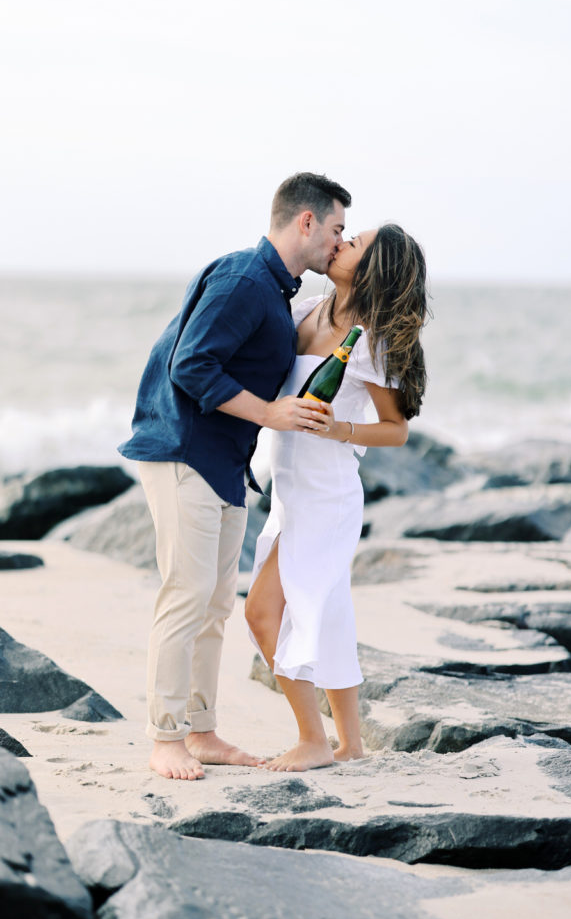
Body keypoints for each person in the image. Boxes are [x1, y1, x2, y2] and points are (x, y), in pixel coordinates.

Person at [118, 172, 352, 780]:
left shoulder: (276, 291)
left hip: (224, 465)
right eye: (335, 229)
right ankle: (164, 738)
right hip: (183, 452)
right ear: (306, 221)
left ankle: (201, 731)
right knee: (187, 596)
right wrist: (272, 413)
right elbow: (190, 364)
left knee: (218, 604)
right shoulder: (245, 279)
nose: (337, 242)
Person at [245, 223, 428, 771]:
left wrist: (339, 431)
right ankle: (350, 742)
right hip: (289, 490)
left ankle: (312, 739)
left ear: (373, 268)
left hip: (326, 495)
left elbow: (396, 429)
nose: (339, 245)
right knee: (330, 614)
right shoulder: (311, 310)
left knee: (261, 612)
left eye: (354, 244)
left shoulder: (371, 342)